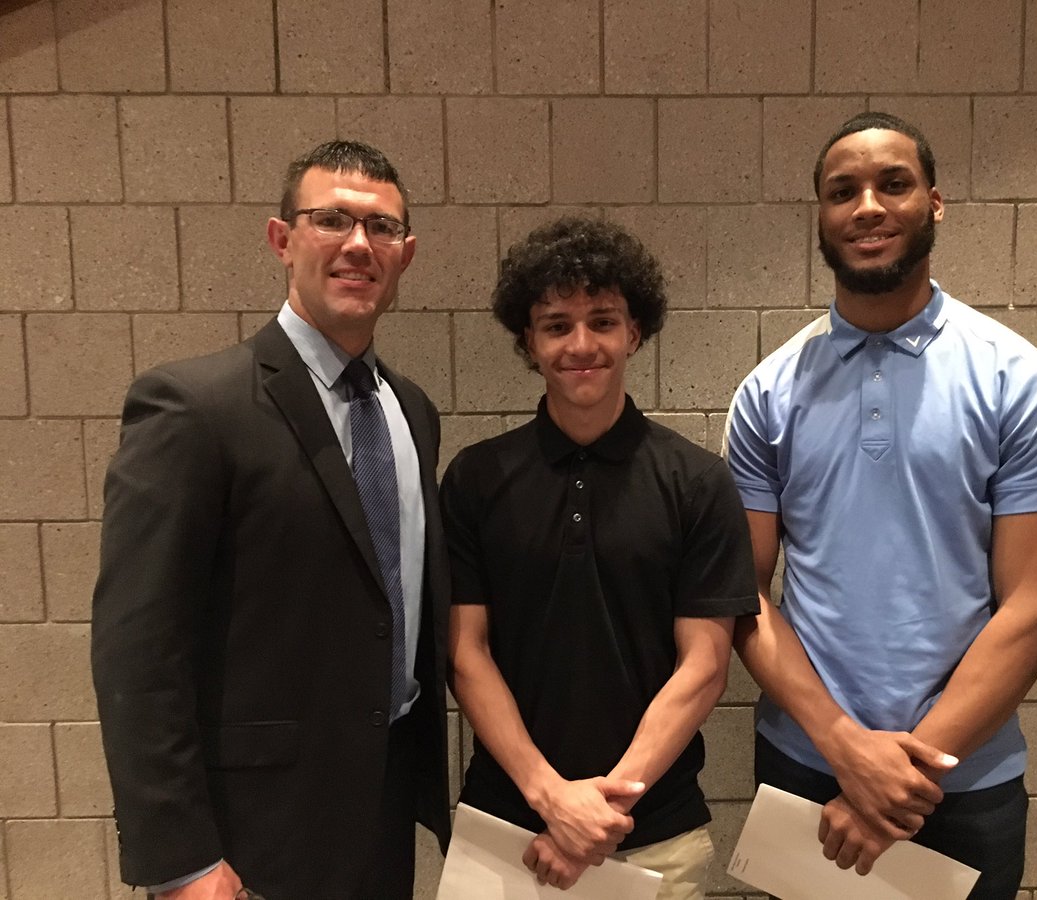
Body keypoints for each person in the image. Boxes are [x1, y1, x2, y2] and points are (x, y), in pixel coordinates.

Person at [724, 112, 1037, 899]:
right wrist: (847, 752)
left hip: (965, 779)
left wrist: (900, 778)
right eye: (842, 190)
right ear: (820, 216)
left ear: (935, 202)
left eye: (893, 184)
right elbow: (742, 595)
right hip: (807, 767)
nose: (868, 206)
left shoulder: (1018, 381)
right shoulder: (766, 394)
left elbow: (1036, 608)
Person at [92, 140, 451, 900]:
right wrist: (180, 859)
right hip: (252, 834)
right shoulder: (195, 408)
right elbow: (138, 650)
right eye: (332, 220)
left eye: (382, 229)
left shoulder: (411, 410)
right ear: (282, 240)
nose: (359, 244)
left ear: (406, 254)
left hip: (384, 815)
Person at [441, 217, 758, 899]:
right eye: (556, 325)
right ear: (528, 342)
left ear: (635, 331)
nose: (581, 345)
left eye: (603, 321)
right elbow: (466, 654)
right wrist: (552, 799)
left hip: (654, 837)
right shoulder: (474, 479)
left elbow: (704, 667)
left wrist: (598, 814)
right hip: (505, 832)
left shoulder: (697, 482)